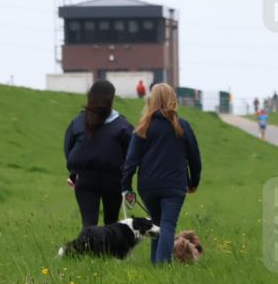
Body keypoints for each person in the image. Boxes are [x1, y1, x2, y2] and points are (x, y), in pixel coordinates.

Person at [122, 83, 202, 265]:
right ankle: (161, 267)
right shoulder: (183, 127)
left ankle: (155, 265)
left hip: (148, 186)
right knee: (167, 225)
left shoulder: (142, 127)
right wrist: (193, 181)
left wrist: (126, 186)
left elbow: (130, 161)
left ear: (152, 101)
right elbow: (195, 159)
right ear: (173, 100)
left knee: (157, 224)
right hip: (174, 186)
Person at [64, 80, 134, 228]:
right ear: (112, 100)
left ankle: (88, 250)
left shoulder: (78, 121)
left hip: (83, 178)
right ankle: (109, 251)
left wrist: (73, 172)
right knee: (111, 222)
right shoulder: (122, 125)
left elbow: (68, 147)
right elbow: (131, 154)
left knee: (89, 223)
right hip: (113, 180)